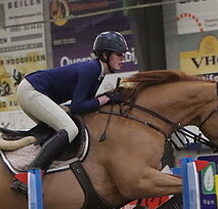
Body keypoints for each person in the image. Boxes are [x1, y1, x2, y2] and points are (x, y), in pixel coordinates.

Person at [10, 31, 129, 193]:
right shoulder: (92, 70)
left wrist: (106, 98)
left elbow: (83, 106)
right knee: (69, 129)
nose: (123, 59)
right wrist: (106, 98)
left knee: (62, 130)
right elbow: (78, 106)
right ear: (105, 55)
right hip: (32, 91)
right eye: (119, 55)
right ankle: (28, 177)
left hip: (32, 90)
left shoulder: (98, 73)